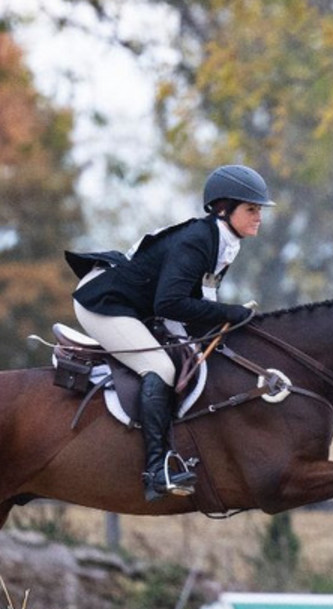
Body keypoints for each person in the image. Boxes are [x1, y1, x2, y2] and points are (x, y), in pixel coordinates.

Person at [66, 164, 274, 501]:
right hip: (105, 302)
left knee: (194, 357)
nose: (259, 217)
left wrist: (227, 322)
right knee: (160, 369)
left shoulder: (224, 240)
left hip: (138, 306)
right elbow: (169, 303)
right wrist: (230, 313)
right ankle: (155, 470)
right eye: (251, 209)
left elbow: (201, 298)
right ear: (223, 208)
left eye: (259, 209)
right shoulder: (197, 241)